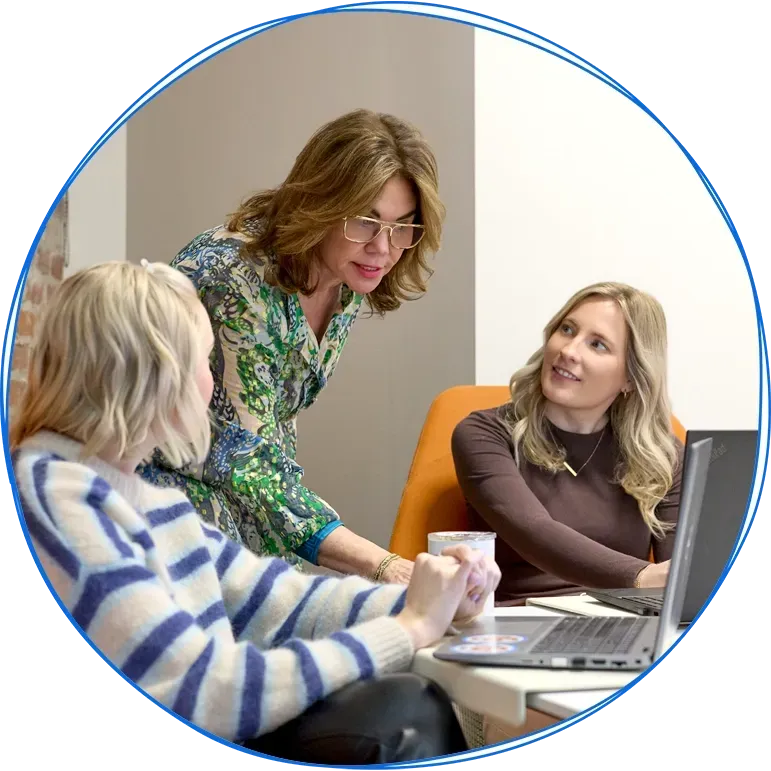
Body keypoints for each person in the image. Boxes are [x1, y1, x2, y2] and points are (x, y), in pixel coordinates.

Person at [10, 261, 500, 764]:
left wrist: (427, 599)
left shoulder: (150, 504)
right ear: (154, 373)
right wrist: (409, 629)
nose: (210, 384)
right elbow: (207, 693)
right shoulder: (56, 500)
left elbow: (283, 604)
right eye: (204, 361)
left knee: (409, 704)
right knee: (406, 712)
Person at [139, 109, 445, 586]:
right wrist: (382, 564)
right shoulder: (234, 279)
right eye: (365, 221)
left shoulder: (344, 277)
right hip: (171, 522)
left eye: (402, 227)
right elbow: (247, 461)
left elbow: (272, 433)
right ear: (321, 203)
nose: (384, 249)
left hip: (252, 514)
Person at [451, 281, 682, 606]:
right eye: (567, 329)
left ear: (631, 376)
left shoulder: (661, 456)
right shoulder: (483, 433)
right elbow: (534, 532)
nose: (569, 351)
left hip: (625, 627)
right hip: (519, 625)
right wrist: (641, 577)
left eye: (598, 345)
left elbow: (682, 575)